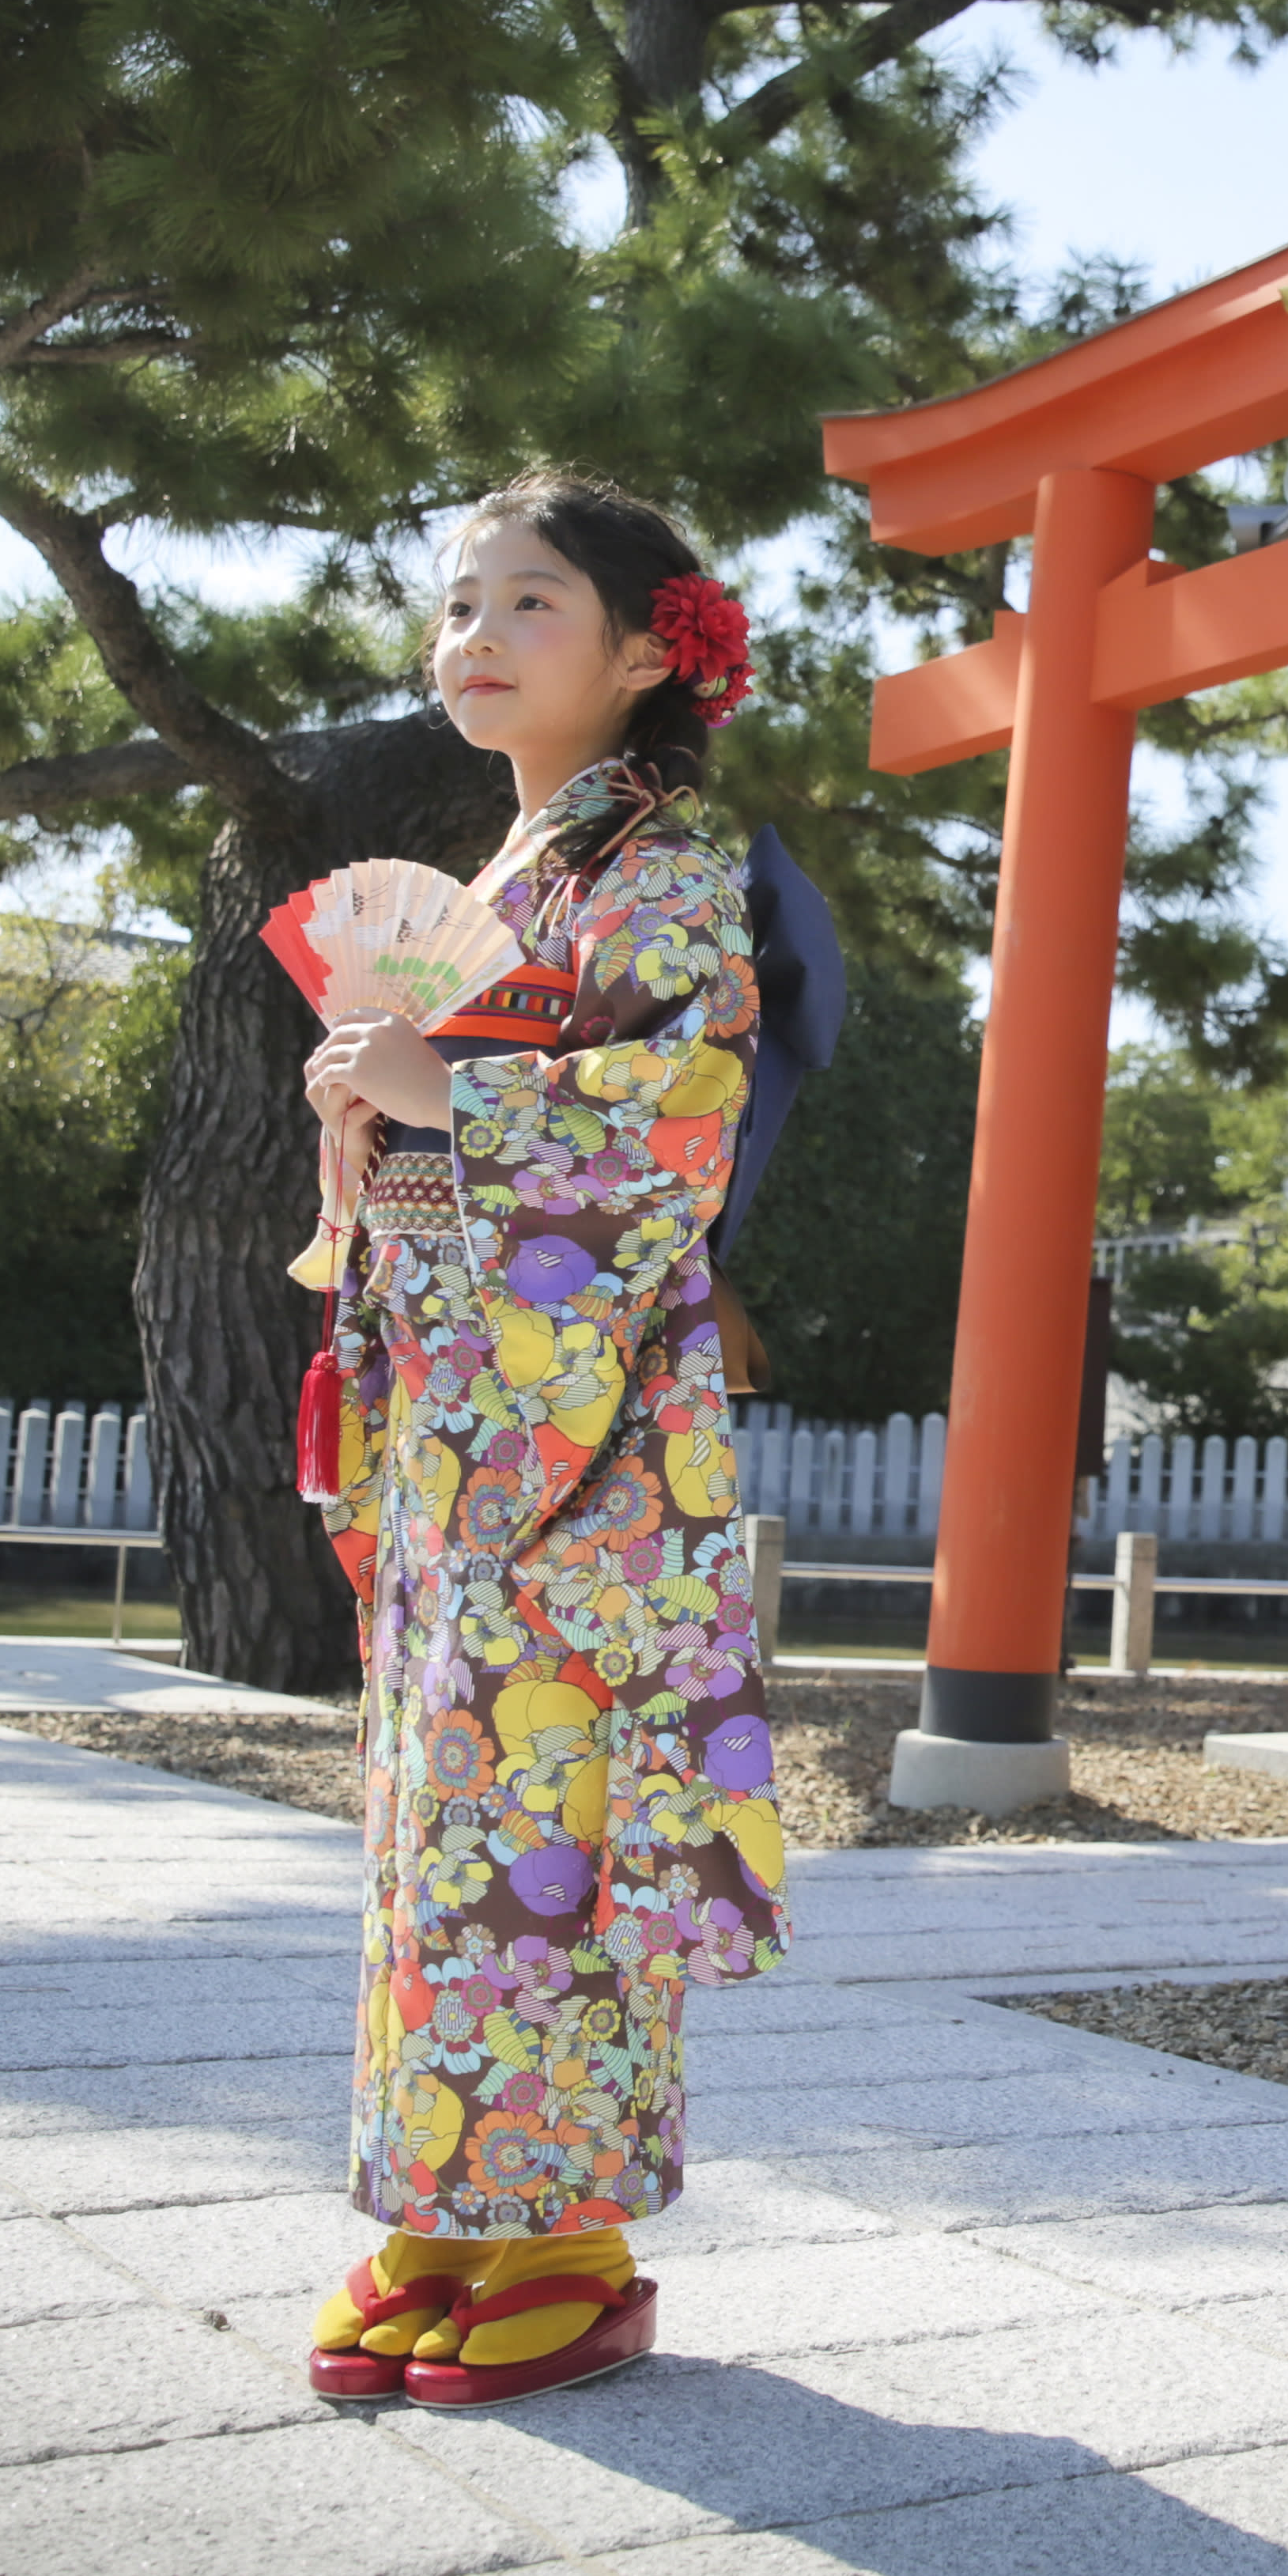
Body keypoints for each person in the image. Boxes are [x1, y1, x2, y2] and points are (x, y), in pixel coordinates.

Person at [293, 470, 791, 2409]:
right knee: (450, 1826)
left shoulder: (659, 863)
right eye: (460, 603)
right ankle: (443, 2205)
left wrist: (450, 1103)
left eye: (531, 604)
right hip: (467, 1429)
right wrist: (380, 1134)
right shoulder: (503, 882)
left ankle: (570, 2243)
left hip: (586, 1450)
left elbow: (676, 1127)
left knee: (559, 1830)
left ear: (651, 649)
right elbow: (429, 1203)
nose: (475, 636)